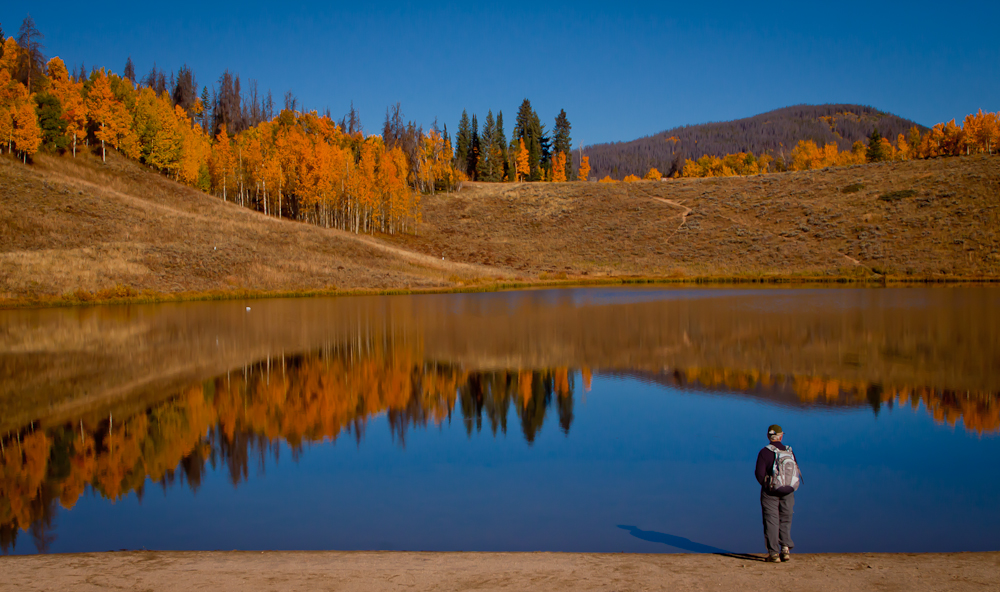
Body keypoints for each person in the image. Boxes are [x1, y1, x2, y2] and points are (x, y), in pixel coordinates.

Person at [754, 424, 801, 562]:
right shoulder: (789, 451)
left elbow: (759, 474)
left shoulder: (764, 452)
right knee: (786, 518)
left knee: (771, 521)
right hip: (789, 490)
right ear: (781, 436)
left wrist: (767, 486)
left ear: (768, 436)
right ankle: (785, 549)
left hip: (770, 491)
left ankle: (774, 553)